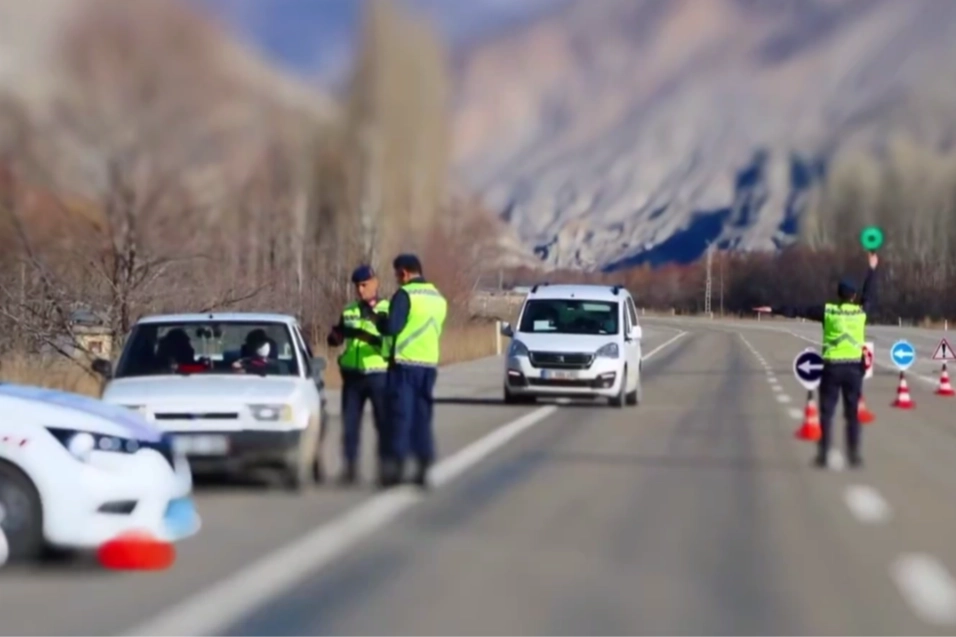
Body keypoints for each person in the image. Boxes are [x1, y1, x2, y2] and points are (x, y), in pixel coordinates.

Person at [754, 251, 879, 469]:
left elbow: (799, 310)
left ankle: (823, 454)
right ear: (854, 296)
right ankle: (854, 455)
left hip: (831, 368)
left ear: (838, 294)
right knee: (852, 414)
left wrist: (774, 309)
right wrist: (872, 270)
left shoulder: (827, 311)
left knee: (826, 413)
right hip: (853, 369)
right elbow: (870, 295)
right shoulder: (861, 313)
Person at [373, 253, 447, 489]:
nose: (397, 279)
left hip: (405, 365)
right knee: (422, 416)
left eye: (397, 275)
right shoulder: (437, 297)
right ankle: (423, 466)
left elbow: (392, 327)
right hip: (429, 366)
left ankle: (396, 469)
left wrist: (379, 320)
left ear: (404, 273)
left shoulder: (405, 295)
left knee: (400, 415)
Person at [326, 265, 391, 486]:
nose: (360, 290)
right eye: (357, 286)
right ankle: (350, 468)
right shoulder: (349, 310)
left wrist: (368, 334)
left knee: (383, 423)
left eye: (364, 285)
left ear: (375, 283)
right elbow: (338, 334)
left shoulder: (387, 309)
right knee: (350, 423)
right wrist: (335, 336)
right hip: (352, 376)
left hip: (378, 374)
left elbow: (391, 342)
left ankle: (386, 467)